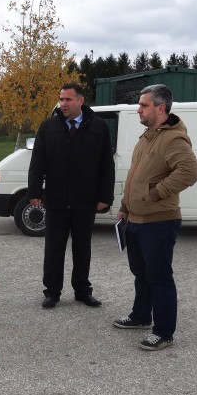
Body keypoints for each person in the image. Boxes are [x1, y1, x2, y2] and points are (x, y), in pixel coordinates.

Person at [113, 84, 197, 351]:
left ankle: (163, 332)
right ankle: (140, 316)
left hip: (159, 221)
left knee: (160, 277)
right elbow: (136, 176)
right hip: (136, 219)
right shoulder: (148, 136)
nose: (138, 109)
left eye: (144, 105)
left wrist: (156, 193)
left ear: (160, 108)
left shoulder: (173, 138)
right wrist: (126, 205)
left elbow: (189, 171)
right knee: (141, 273)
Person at [27, 82, 115, 309]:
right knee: (53, 249)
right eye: (61, 99)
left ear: (80, 101)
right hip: (56, 200)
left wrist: (105, 196)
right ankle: (52, 292)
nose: (63, 103)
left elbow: (106, 164)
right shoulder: (48, 127)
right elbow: (38, 162)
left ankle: (82, 291)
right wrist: (35, 191)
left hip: (85, 201)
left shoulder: (98, 127)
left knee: (82, 249)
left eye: (68, 99)